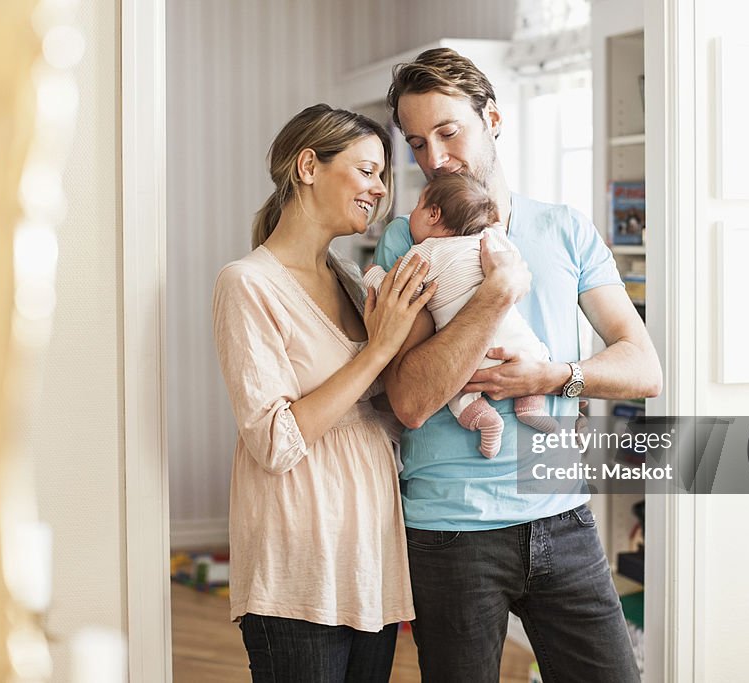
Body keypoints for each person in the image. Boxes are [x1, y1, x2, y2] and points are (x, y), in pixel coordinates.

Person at [373, 48, 663, 682]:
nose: (435, 160)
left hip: (563, 517)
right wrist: (496, 294)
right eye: (418, 144)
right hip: (451, 533)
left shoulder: (565, 229)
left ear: (494, 119)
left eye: (449, 132)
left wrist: (552, 377)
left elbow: (643, 367)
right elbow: (411, 400)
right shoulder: (409, 239)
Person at [211, 103, 437, 683]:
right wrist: (379, 351)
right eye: (367, 171)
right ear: (309, 166)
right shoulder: (248, 284)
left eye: (384, 176)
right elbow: (274, 440)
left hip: (370, 562)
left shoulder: (350, 280)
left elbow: (387, 410)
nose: (381, 190)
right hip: (297, 568)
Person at [362, 174, 558, 458]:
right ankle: (531, 407)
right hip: (514, 340)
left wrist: (373, 277)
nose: (411, 216)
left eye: (417, 207)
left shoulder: (424, 253)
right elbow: (513, 264)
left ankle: (487, 422)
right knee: (537, 353)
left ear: (433, 214)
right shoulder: (487, 239)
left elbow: (402, 291)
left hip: (470, 356)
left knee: (458, 393)